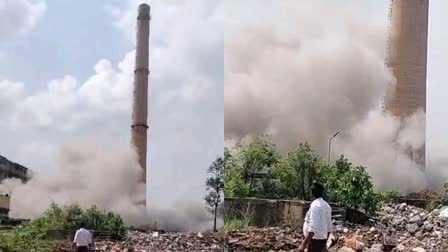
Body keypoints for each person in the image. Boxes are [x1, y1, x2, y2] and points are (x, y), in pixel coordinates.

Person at [299, 182, 333, 252]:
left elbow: (313, 228)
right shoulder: (327, 206)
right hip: (321, 240)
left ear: (312, 193)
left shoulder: (315, 205)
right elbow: (329, 227)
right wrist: (324, 244)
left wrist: (304, 244)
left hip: (314, 240)